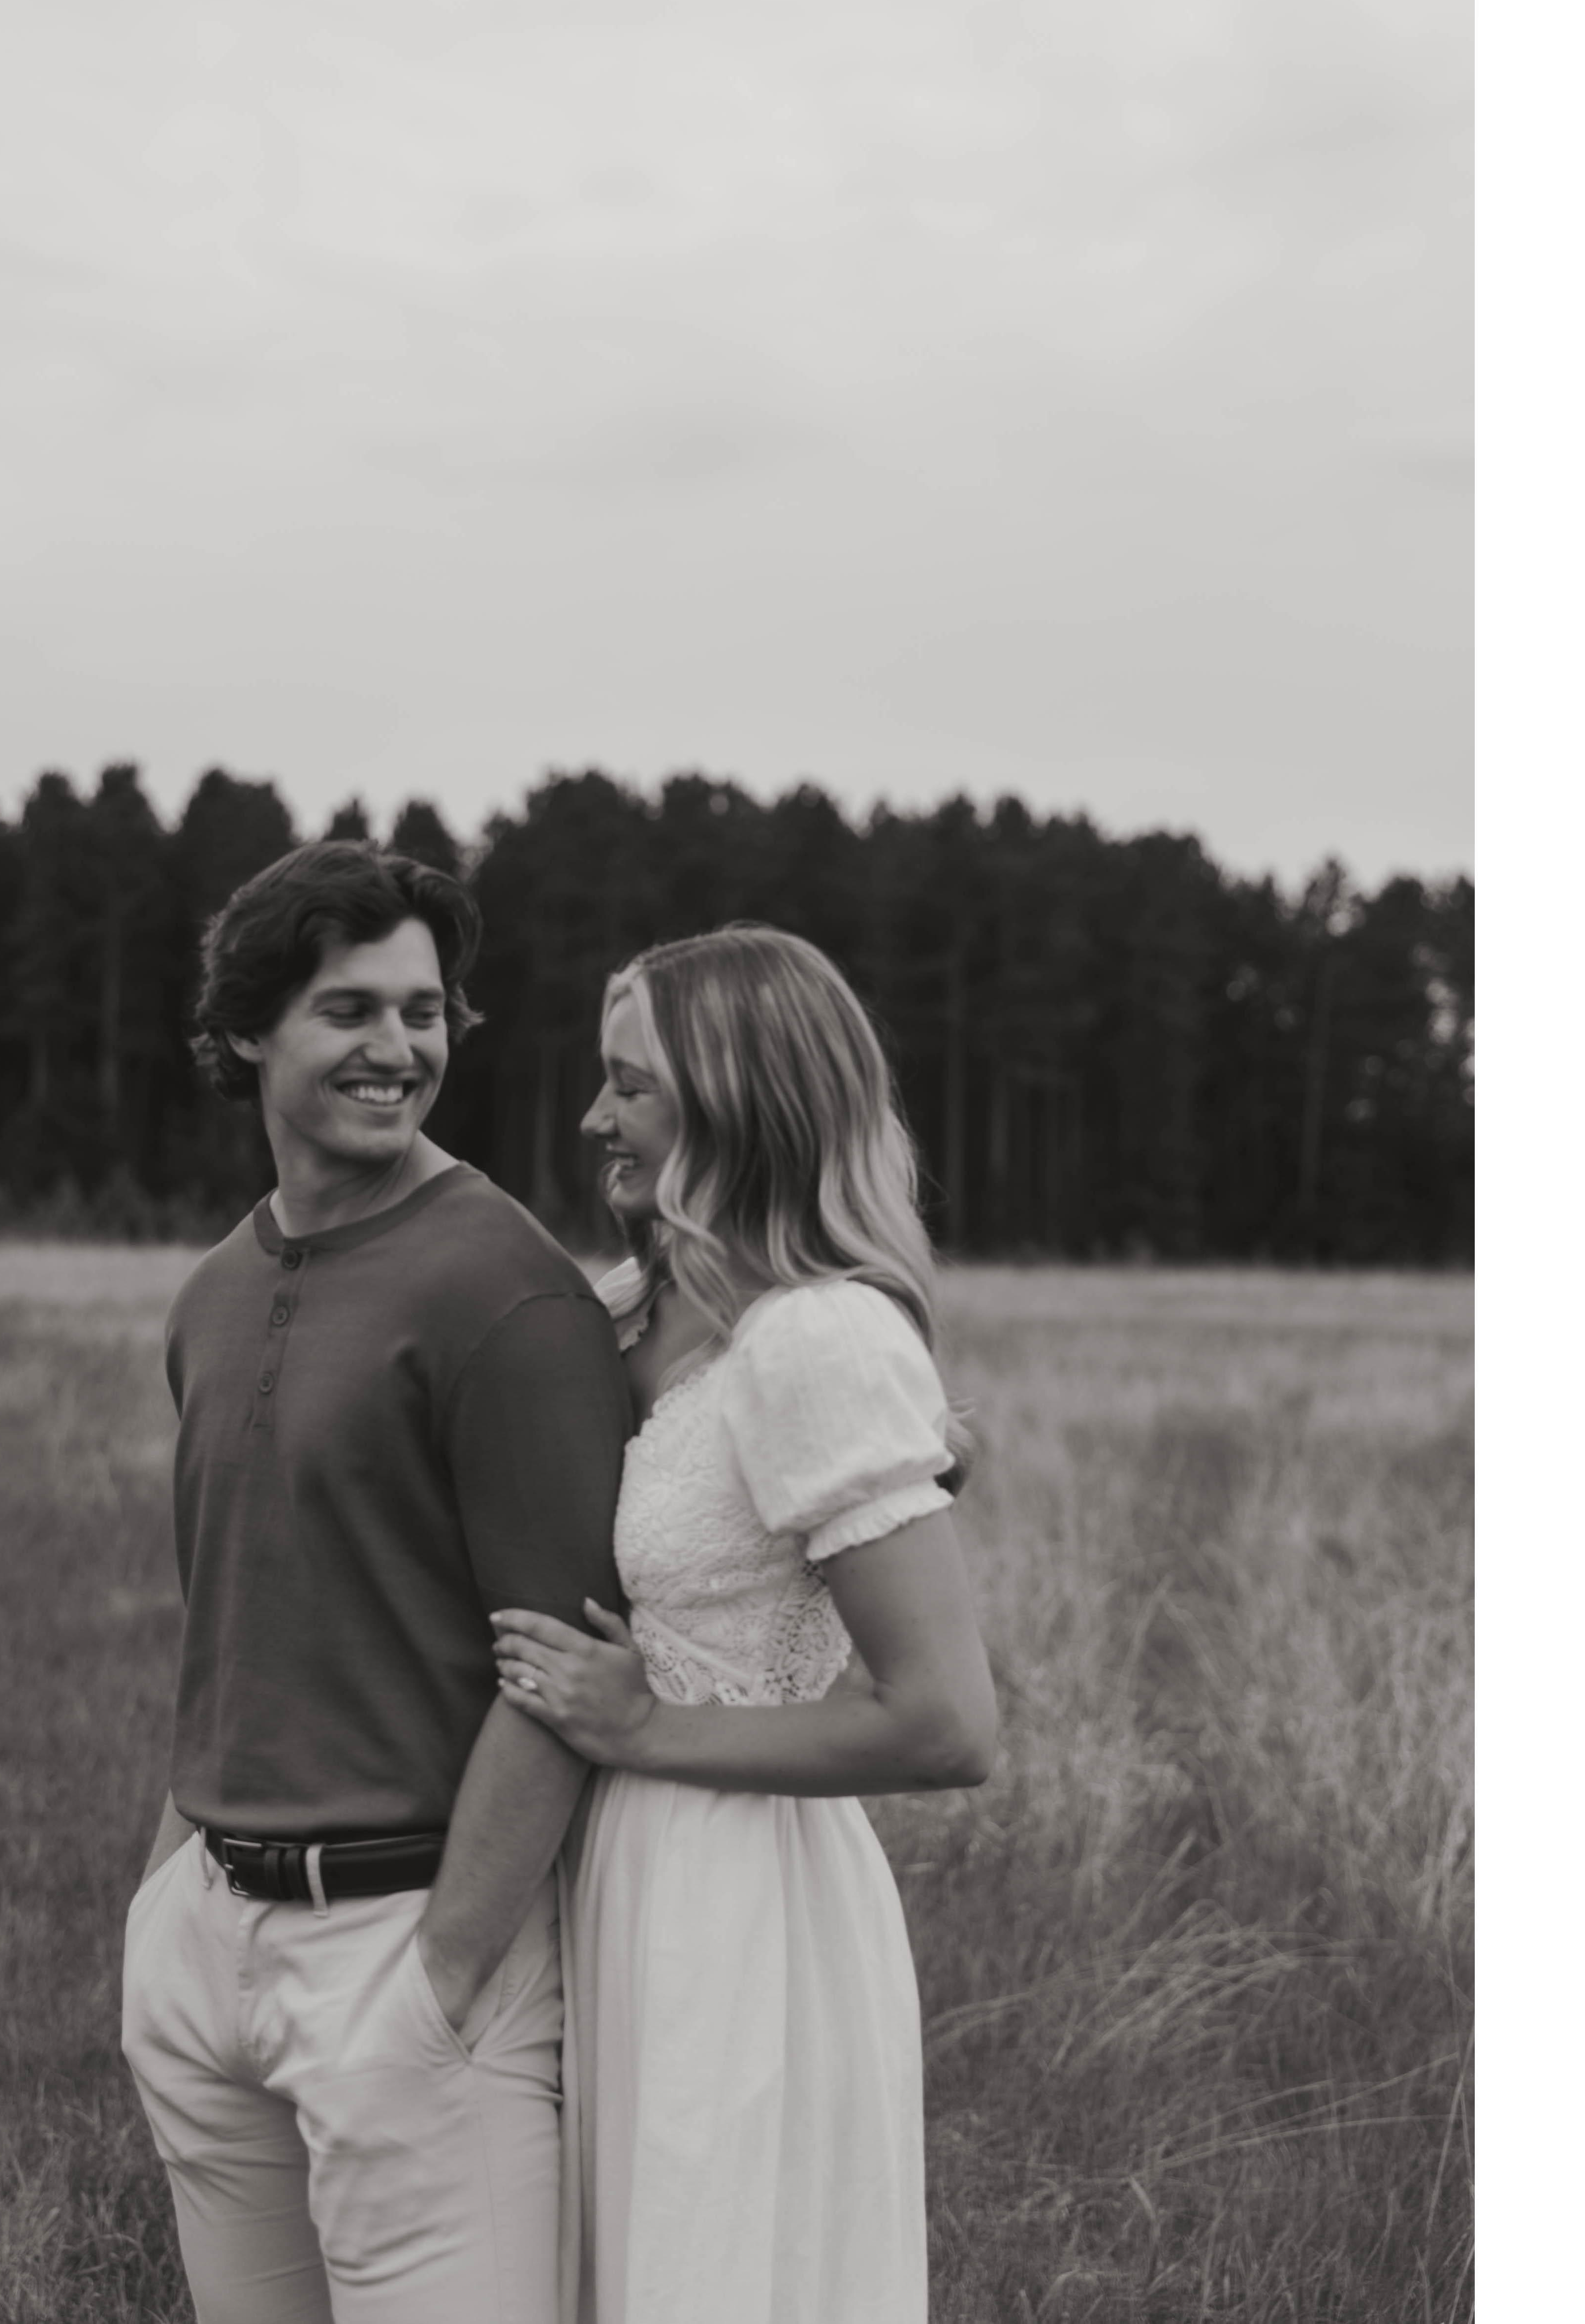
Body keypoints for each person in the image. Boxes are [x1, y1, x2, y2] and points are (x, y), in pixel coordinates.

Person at [121, 839, 633, 2324]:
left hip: (407, 1951)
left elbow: (562, 1672)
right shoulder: (212, 1295)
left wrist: (442, 1979)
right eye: (350, 1011)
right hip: (206, 1949)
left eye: (424, 1012)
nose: (398, 1048)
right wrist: (164, 1913)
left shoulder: (507, 1291)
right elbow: (232, 1628)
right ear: (246, 1032)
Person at [490, 923, 1000, 2324]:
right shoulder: (628, 1307)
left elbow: (948, 1723)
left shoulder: (818, 1339)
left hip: (731, 1897)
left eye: (631, 1087)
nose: (593, 1118)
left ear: (740, 1105)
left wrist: (646, 1727)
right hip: (590, 1857)